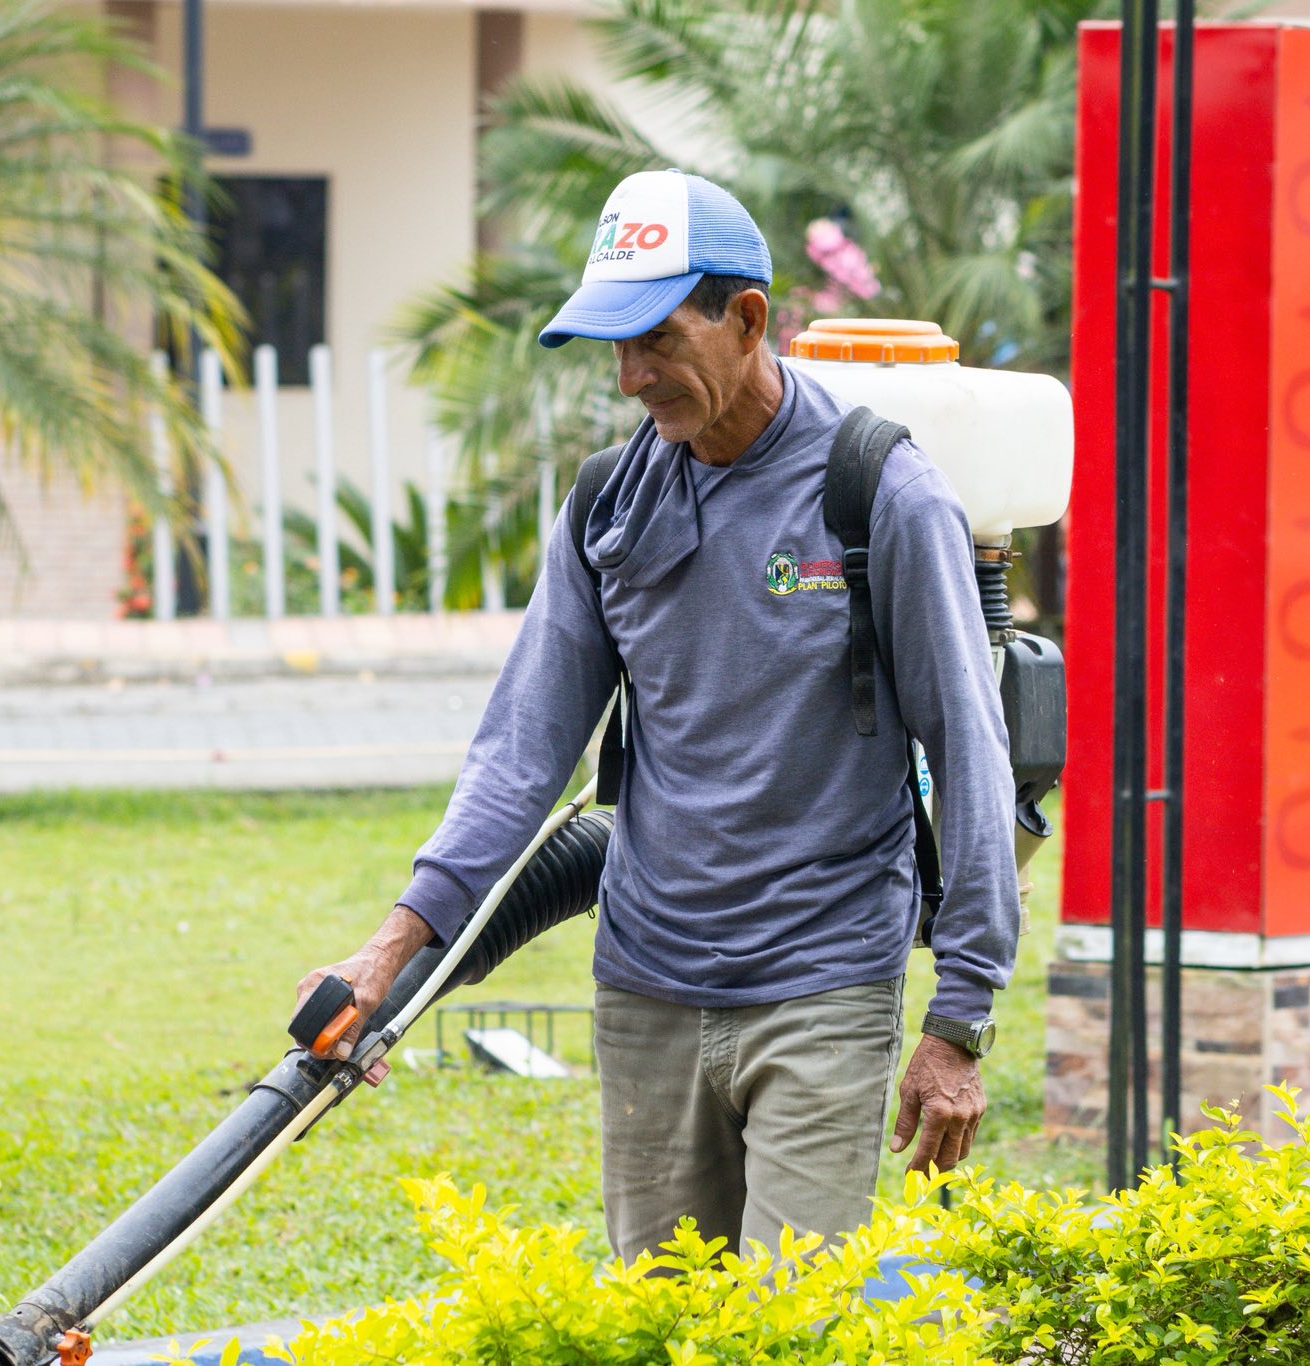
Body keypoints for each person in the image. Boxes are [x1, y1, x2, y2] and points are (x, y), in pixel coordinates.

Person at [294, 170, 1021, 1264]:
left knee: (790, 1322)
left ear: (748, 320)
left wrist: (958, 1019)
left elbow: (968, 753)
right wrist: (391, 948)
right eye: (616, 347)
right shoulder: (609, 503)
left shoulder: (879, 492)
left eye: (658, 340)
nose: (633, 376)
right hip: (646, 986)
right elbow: (522, 751)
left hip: (822, 980)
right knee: (660, 1317)